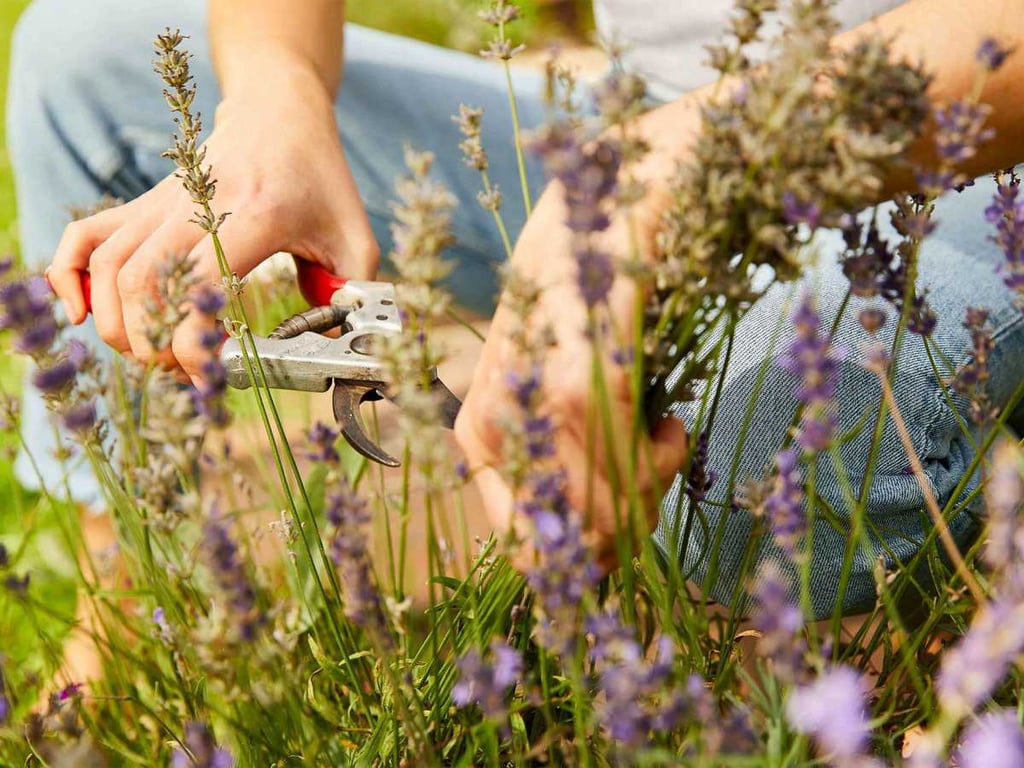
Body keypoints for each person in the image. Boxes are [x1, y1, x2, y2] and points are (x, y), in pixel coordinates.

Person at [10, 0, 1024, 618]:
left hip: (968, 161)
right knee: (83, 58)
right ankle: (136, 606)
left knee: (765, 447)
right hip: (641, 112)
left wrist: (666, 173)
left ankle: (838, 657)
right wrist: (276, 92)